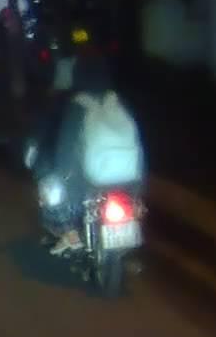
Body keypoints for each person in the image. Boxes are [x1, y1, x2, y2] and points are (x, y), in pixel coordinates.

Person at [31, 54, 143, 256]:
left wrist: (62, 178)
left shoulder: (78, 105)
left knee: (51, 187)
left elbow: (66, 149)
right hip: (128, 178)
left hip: (91, 178)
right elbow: (138, 142)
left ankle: (70, 234)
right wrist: (139, 184)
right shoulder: (119, 101)